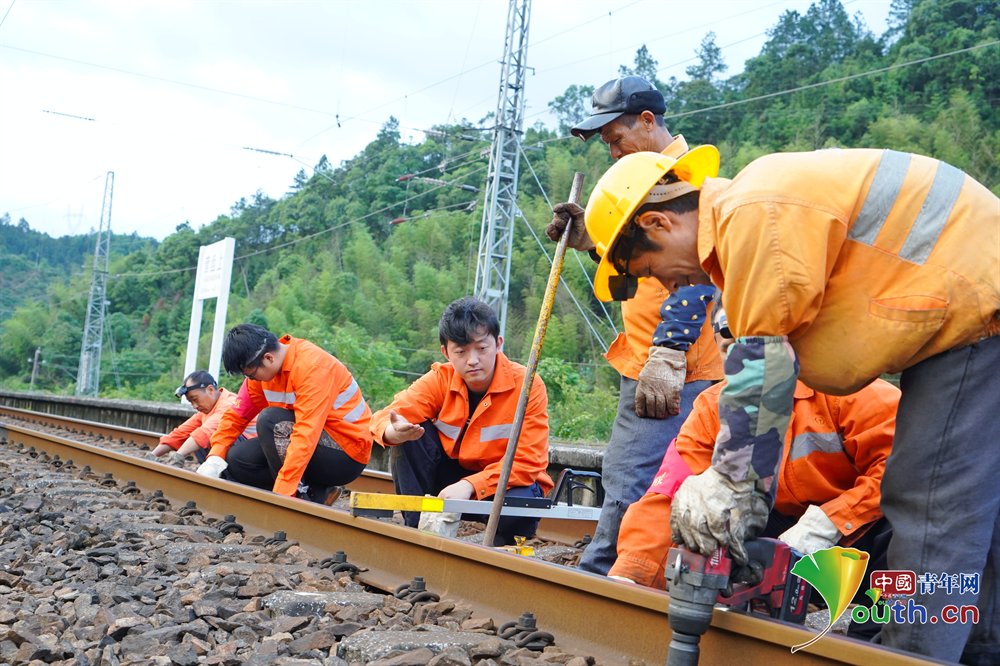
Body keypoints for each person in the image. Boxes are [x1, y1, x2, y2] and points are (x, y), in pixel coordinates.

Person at [584, 145, 999, 664]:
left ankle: (912, 656)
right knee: (977, 531)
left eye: (651, 269)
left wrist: (733, 483)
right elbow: (671, 484)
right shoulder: (756, 206)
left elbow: (762, 361)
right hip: (973, 307)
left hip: (980, 309)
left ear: (658, 222)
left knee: (929, 509)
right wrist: (631, 582)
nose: (669, 287)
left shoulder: (751, 212)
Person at [609, 305, 897, 613]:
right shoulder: (711, 408)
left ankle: (880, 636)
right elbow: (670, 494)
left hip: (860, 531)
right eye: (728, 350)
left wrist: (831, 520)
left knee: (902, 527)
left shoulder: (849, 391)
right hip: (783, 529)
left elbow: (903, 471)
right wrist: (633, 572)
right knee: (703, 516)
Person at [546, 75, 723, 574]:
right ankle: (628, 574)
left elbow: (696, 270)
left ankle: (603, 576)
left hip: (677, 362)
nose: (612, 151)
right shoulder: (648, 178)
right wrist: (590, 240)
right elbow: (638, 259)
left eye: (616, 139)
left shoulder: (684, 180)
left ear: (647, 122)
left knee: (632, 477)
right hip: (652, 356)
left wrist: (669, 351)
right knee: (647, 476)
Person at [370, 297, 552, 546]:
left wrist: (471, 485)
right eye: (461, 351)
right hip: (451, 483)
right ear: (446, 352)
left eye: (481, 348)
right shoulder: (440, 380)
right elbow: (384, 417)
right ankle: (417, 528)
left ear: (498, 344)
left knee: (520, 506)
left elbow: (529, 461)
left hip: (502, 485)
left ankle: (501, 545)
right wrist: (392, 432)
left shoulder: (528, 385)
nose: (473, 360)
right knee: (409, 437)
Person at [196, 324, 373, 505]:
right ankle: (318, 491)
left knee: (270, 420)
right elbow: (236, 416)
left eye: (251, 375)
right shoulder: (261, 372)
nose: (250, 380)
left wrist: (283, 492)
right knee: (237, 460)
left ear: (268, 358)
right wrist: (215, 457)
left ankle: (301, 495)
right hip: (310, 442)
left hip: (346, 453)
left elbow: (306, 433)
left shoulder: (312, 367)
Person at [151, 371, 256, 464]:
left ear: (210, 389)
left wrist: (178, 456)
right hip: (244, 454)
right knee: (196, 436)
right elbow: (181, 433)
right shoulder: (207, 410)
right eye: (191, 402)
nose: (194, 406)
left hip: (255, 455)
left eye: (195, 399)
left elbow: (205, 432)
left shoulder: (228, 403)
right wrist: (153, 455)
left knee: (209, 436)